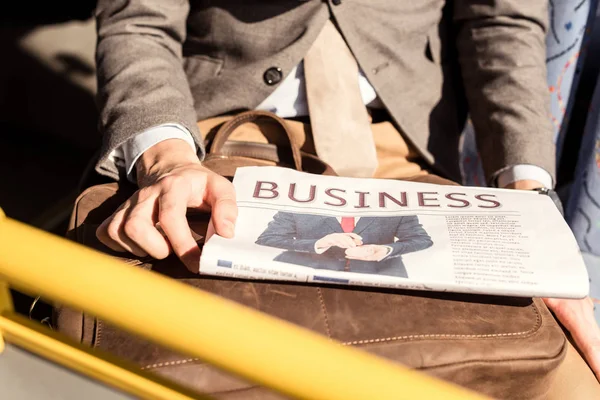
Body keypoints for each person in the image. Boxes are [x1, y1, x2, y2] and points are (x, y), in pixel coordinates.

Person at [92, 0, 600, 388]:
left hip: (403, 150)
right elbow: (139, 18)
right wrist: (168, 157)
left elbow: (502, 22)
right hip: (218, 139)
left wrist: (533, 207)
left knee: (559, 371)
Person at [255, 213, 433, 277]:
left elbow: (421, 239)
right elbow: (268, 239)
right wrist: (319, 243)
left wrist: (386, 250)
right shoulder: (299, 203)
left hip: (381, 279)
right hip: (304, 278)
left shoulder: (396, 205)